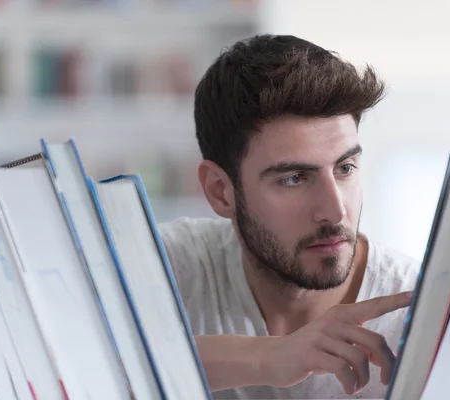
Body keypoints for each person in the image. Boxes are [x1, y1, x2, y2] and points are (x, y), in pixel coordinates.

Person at [158, 34, 421, 399]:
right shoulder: (167, 268)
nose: (335, 210)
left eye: (345, 168)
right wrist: (268, 357)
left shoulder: (422, 315)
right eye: (294, 178)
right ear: (220, 191)